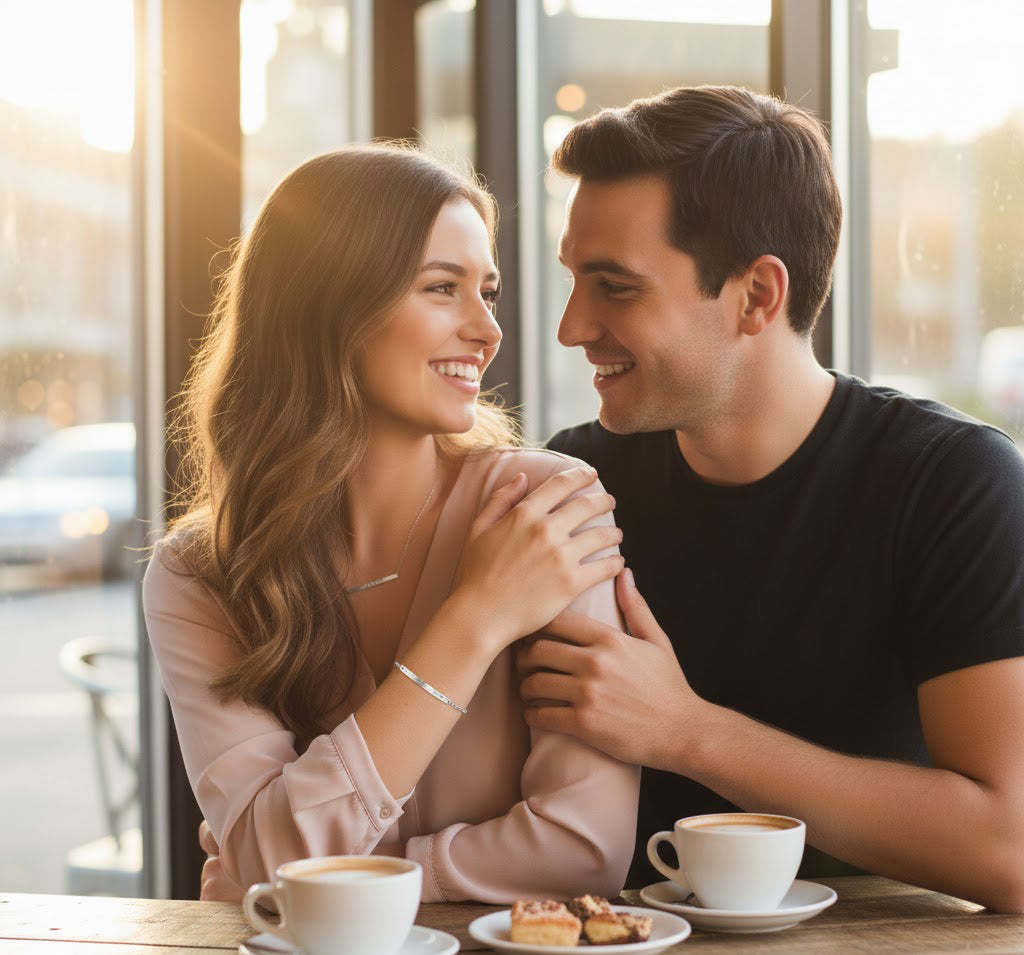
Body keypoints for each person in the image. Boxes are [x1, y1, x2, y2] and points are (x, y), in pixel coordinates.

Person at [520, 85, 1024, 912]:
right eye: (574, 278)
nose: (572, 326)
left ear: (757, 295)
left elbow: (1012, 850)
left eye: (614, 286)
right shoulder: (571, 487)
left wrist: (686, 731)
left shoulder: (952, 484)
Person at [143, 144, 639, 903]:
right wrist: (476, 618)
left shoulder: (543, 509)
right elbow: (269, 859)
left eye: (489, 293)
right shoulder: (201, 572)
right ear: (328, 307)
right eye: (443, 288)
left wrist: (309, 871)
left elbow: (581, 852)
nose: (487, 330)